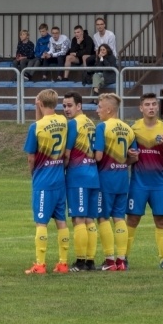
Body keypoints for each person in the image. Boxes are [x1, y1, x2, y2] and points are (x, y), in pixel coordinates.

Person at [125, 93, 163, 270]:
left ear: (157, 107)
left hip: (159, 184)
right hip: (138, 183)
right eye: (147, 104)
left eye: (154, 104)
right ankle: (123, 258)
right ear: (141, 108)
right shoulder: (134, 129)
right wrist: (131, 157)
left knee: (161, 220)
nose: (151, 107)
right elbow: (128, 161)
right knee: (132, 219)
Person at [22, 89, 69, 274]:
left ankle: (40, 265)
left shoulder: (36, 127)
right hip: (59, 178)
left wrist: (33, 174)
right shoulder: (64, 122)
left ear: (40, 103)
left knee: (41, 222)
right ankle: (63, 263)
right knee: (61, 221)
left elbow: (31, 158)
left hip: (43, 179)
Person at [93, 93, 137, 271]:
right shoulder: (128, 129)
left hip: (106, 178)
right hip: (122, 178)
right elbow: (134, 158)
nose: (97, 111)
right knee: (119, 217)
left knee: (103, 217)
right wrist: (122, 163)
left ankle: (109, 260)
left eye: (99, 107)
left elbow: (98, 156)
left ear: (109, 109)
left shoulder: (102, 127)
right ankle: (121, 259)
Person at [62, 92, 99, 272]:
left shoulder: (74, 124)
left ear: (79, 106)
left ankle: (80, 261)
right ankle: (90, 260)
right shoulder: (91, 123)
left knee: (78, 218)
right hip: (93, 174)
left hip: (78, 176)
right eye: (64, 106)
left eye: (70, 105)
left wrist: (63, 169)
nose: (67, 109)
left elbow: (67, 153)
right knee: (90, 220)